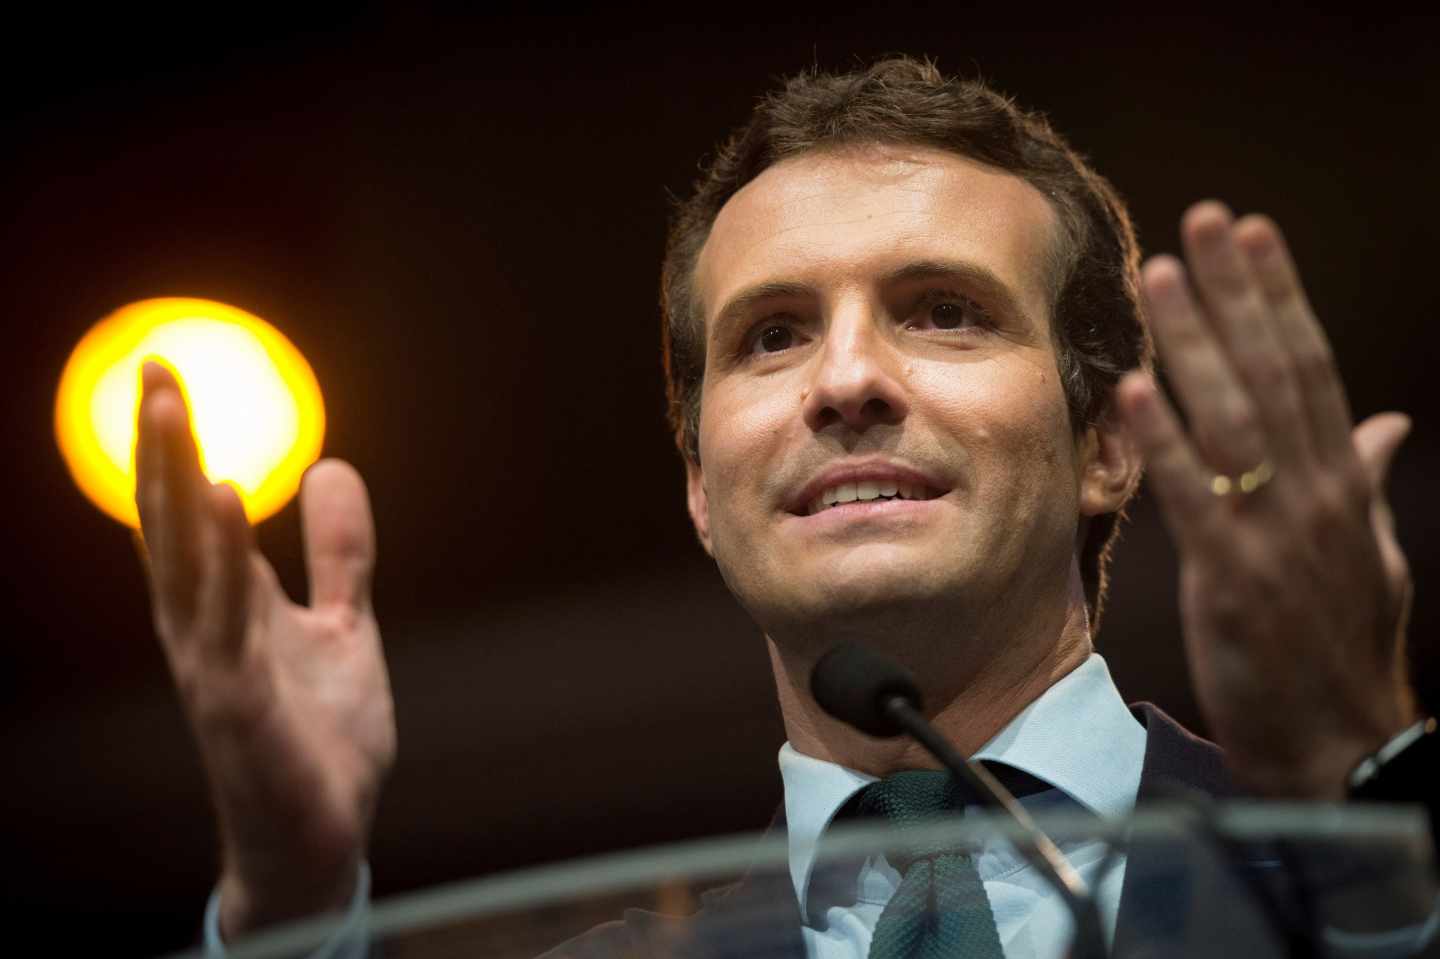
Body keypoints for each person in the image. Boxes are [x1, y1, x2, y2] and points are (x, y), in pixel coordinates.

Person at [133, 56, 1432, 958]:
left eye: (942, 311)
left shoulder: (1364, 862)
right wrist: (290, 908)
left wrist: (1371, 805)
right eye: (771, 337)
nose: (848, 380)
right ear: (701, 485)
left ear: (1104, 441)